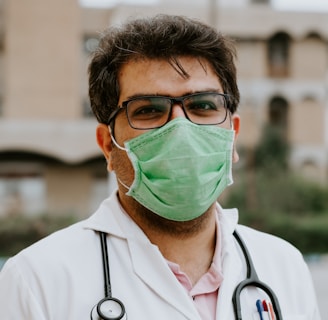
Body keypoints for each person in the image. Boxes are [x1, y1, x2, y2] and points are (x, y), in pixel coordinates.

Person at [0, 14, 321, 320]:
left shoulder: (283, 267)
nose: (180, 129)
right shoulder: (37, 282)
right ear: (107, 144)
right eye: (149, 110)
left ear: (232, 135)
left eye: (203, 106)